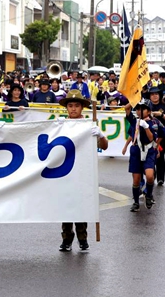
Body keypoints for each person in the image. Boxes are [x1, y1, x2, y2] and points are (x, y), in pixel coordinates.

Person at [58, 90, 108, 251]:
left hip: (83, 171)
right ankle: (66, 239)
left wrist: (100, 135)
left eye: (76, 106)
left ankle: (82, 237)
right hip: (65, 171)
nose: (73, 109)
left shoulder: (89, 124)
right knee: (66, 206)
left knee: (81, 205)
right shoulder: (61, 125)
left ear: (82, 108)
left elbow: (104, 146)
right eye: (70, 106)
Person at [122, 100, 165, 213]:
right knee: (136, 179)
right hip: (136, 150)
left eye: (142, 109)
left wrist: (146, 127)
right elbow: (126, 109)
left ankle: (149, 195)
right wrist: (133, 100)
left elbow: (157, 136)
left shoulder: (154, 122)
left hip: (149, 150)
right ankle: (136, 202)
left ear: (149, 111)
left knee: (150, 176)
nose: (139, 111)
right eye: (137, 109)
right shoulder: (134, 121)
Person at [147, 87, 165, 186]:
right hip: (149, 135)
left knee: (160, 156)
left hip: (162, 135)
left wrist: (161, 115)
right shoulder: (147, 105)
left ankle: (161, 178)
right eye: (152, 94)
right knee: (150, 156)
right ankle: (152, 175)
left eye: (156, 94)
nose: (154, 96)